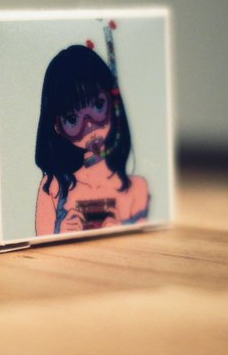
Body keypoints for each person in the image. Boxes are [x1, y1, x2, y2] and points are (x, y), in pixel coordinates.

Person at [34, 45, 149, 235]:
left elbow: (144, 242)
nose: (89, 126)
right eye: (73, 119)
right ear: (57, 126)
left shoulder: (136, 188)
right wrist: (60, 232)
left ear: (113, 103)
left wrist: (121, 231)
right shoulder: (53, 187)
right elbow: (41, 239)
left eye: (98, 105)